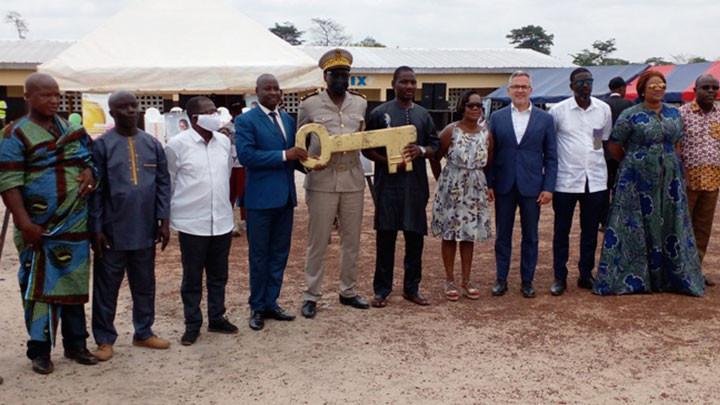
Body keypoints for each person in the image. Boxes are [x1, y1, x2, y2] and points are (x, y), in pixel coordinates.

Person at [0, 73, 98, 374]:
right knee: (38, 286)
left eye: (56, 95)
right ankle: (39, 350)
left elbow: (88, 158)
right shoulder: (14, 134)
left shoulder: (69, 128)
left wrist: (90, 173)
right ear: (28, 97)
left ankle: (76, 344)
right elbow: (9, 182)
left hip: (74, 221)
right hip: (38, 225)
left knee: (74, 280)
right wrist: (24, 222)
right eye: (45, 95)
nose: (53, 100)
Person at [593, 71, 704, 296]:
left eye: (661, 85)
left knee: (671, 223)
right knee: (635, 225)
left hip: (669, 179)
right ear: (643, 89)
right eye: (653, 85)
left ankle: (671, 277)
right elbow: (614, 146)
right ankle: (635, 279)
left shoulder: (674, 114)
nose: (658, 88)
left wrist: (673, 166)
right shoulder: (630, 114)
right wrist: (635, 162)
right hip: (636, 179)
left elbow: (677, 143)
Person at [89, 91, 172, 361]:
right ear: (112, 113)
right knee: (106, 287)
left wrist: (164, 220)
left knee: (144, 283)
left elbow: (162, 183)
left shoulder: (152, 144)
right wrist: (97, 228)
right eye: (122, 107)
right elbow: (96, 192)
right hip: (112, 232)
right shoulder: (101, 146)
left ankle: (144, 332)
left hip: (145, 229)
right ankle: (104, 339)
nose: (130, 111)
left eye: (133, 106)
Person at [298, 48, 369, 318]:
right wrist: (311, 166)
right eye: (335, 75)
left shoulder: (360, 103)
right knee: (318, 240)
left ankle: (348, 291)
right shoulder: (309, 105)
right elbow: (300, 142)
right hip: (322, 179)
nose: (341, 80)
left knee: (352, 239)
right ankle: (311, 294)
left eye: (345, 75)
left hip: (352, 178)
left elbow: (363, 138)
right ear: (325, 77)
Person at [362, 66, 439, 308]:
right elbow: (366, 147)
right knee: (386, 238)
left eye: (412, 82)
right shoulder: (379, 113)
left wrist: (421, 150)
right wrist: (387, 161)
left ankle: (411, 288)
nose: (409, 87)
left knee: (415, 238)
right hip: (388, 186)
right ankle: (382, 290)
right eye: (404, 82)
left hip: (415, 185)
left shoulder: (423, 115)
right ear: (394, 84)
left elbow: (435, 145)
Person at [235, 74, 307, 331]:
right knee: (259, 256)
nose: (274, 93)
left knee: (279, 254)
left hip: (285, 198)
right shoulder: (245, 121)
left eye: (277, 88)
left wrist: (313, 164)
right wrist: (284, 155)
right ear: (257, 92)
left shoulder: (288, 119)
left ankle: (271, 302)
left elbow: (295, 158)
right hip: (259, 200)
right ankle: (256, 306)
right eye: (268, 88)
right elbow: (247, 156)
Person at [166, 96, 238, 345]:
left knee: (219, 274)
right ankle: (192, 323)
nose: (216, 115)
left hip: (221, 219)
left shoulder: (224, 143)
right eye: (210, 112)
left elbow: (226, 175)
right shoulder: (176, 145)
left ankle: (217, 317)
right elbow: (170, 181)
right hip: (191, 222)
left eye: (216, 110)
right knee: (192, 276)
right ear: (195, 118)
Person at [487, 70, 557, 298]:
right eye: (515, 86)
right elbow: (490, 153)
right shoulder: (496, 119)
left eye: (523, 86)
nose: (519, 90)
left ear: (531, 90)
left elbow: (551, 156)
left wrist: (548, 187)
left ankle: (527, 280)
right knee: (502, 235)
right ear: (508, 91)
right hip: (504, 185)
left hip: (532, 187)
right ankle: (500, 278)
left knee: (531, 236)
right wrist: (489, 183)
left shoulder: (545, 119)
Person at [548, 69, 612, 296]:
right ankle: (559, 277)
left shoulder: (603, 109)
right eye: (581, 82)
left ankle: (586, 274)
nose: (586, 85)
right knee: (561, 230)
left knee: (590, 231)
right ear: (571, 85)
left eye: (589, 81)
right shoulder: (558, 111)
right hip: (566, 180)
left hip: (595, 180)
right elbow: (551, 144)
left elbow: (600, 141)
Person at [430, 90, 493, 301]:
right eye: (471, 105)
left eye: (479, 106)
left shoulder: (486, 133)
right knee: (449, 235)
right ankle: (449, 279)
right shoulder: (450, 131)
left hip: (475, 188)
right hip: (452, 186)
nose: (475, 109)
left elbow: (489, 160)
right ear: (462, 107)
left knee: (469, 234)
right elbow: (435, 157)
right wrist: (443, 181)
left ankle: (467, 279)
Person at [679, 74, 720, 286]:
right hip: (687, 180)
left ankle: (695, 271)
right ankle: (679, 273)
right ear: (695, 90)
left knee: (703, 230)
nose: (711, 91)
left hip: (712, 181)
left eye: (715, 87)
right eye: (706, 87)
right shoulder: (682, 113)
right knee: (682, 227)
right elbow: (675, 146)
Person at [600, 76, 634, 229]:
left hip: (604, 153)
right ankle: (618, 220)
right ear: (622, 89)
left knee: (604, 187)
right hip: (622, 153)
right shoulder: (628, 105)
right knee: (620, 187)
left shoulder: (601, 105)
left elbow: (597, 131)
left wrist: (598, 148)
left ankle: (604, 220)